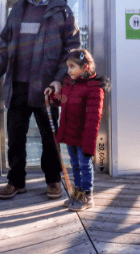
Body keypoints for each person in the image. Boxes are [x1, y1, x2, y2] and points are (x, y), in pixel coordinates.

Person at [0, 0, 80, 200]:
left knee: (50, 137)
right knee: (15, 136)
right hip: (17, 84)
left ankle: (53, 180)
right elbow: (6, 45)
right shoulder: (18, 9)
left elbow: (72, 51)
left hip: (46, 86)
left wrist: (59, 80)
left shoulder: (63, 12)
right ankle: (16, 181)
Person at [45, 49, 110, 211]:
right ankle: (78, 192)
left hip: (83, 137)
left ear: (85, 67)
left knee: (85, 165)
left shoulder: (95, 89)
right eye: (68, 67)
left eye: (72, 67)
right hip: (70, 134)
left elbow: (93, 119)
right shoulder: (70, 84)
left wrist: (89, 144)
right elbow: (63, 100)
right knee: (74, 164)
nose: (68, 71)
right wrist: (52, 95)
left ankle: (88, 196)